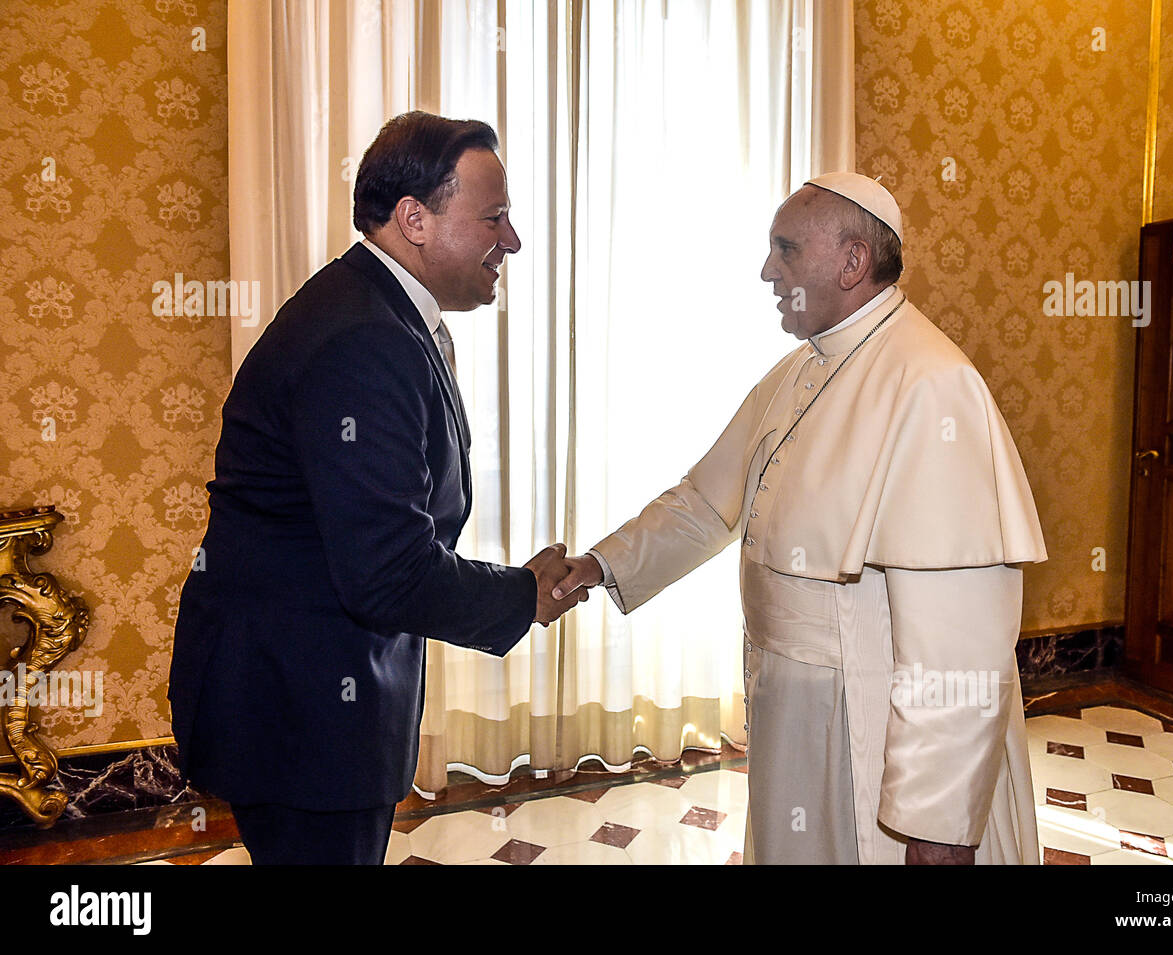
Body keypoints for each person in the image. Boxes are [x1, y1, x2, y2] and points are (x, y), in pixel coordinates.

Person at [555, 173, 1048, 865]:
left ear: (852, 261)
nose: (766, 270)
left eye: (784, 249)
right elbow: (706, 499)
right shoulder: (797, 370)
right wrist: (603, 563)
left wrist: (937, 822)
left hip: (873, 727)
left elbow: (960, 643)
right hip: (793, 710)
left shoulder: (933, 383)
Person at [168, 112, 586, 865]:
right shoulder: (363, 337)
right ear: (414, 219)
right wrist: (524, 594)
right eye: (494, 217)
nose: (513, 240)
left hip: (309, 693)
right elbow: (389, 570)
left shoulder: (378, 311)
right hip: (301, 713)